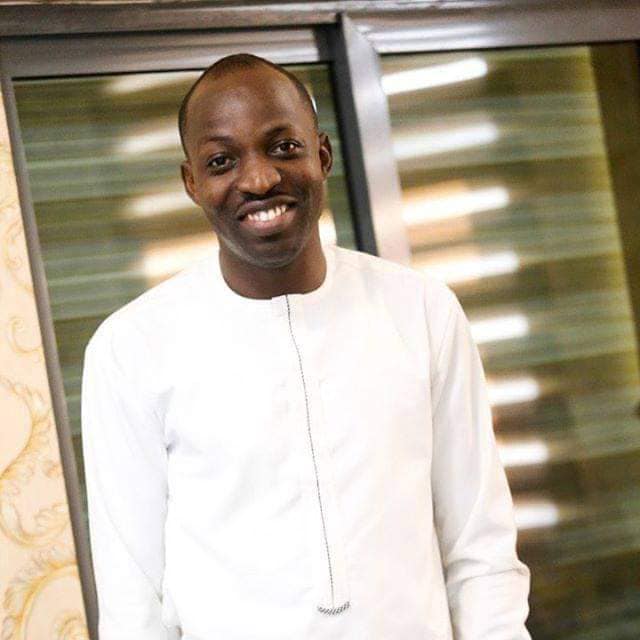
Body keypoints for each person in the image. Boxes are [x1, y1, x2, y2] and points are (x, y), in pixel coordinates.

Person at [81, 53, 531, 639]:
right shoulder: (132, 349)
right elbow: (133, 597)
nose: (258, 179)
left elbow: (481, 550)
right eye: (221, 161)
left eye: (283, 147)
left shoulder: (421, 311)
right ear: (192, 182)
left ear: (322, 155)